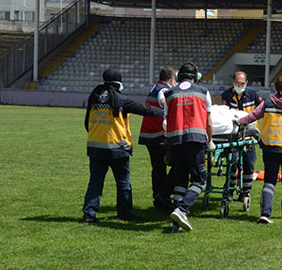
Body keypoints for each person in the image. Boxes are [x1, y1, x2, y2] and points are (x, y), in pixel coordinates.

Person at [82, 69, 163, 224]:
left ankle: (89, 214)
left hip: (95, 148)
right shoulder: (120, 99)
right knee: (123, 182)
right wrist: (166, 111)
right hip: (117, 148)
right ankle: (124, 212)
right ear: (118, 83)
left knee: (95, 182)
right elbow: (145, 110)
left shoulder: (94, 97)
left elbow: (87, 123)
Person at [237, 76, 282, 224]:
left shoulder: (267, 103)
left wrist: (238, 121)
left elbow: (253, 116)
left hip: (271, 147)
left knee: (269, 181)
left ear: (275, 88)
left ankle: (265, 214)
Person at [165, 62, 214, 232]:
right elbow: (208, 121)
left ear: (179, 77)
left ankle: (176, 224)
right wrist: (210, 140)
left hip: (174, 141)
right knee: (199, 180)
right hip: (195, 141)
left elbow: (166, 120)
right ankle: (182, 209)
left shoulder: (169, 93)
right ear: (196, 77)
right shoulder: (202, 92)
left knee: (180, 181)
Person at [220, 71, 262, 207]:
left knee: (249, 164)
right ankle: (230, 190)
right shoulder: (226, 95)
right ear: (233, 82)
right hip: (233, 134)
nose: (240, 85)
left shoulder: (252, 94)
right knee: (233, 162)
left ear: (246, 83)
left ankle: (245, 192)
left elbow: (262, 107)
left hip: (249, 133)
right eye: (237, 83)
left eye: (242, 83)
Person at [138, 66, 176, 211]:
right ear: (172, 79)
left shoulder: (156, 86)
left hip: (149, 134)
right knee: (173, 166)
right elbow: (162, 101)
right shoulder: (164, 90)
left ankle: (159, 199)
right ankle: (163, 196)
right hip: (158, 134)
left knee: (158, 169)